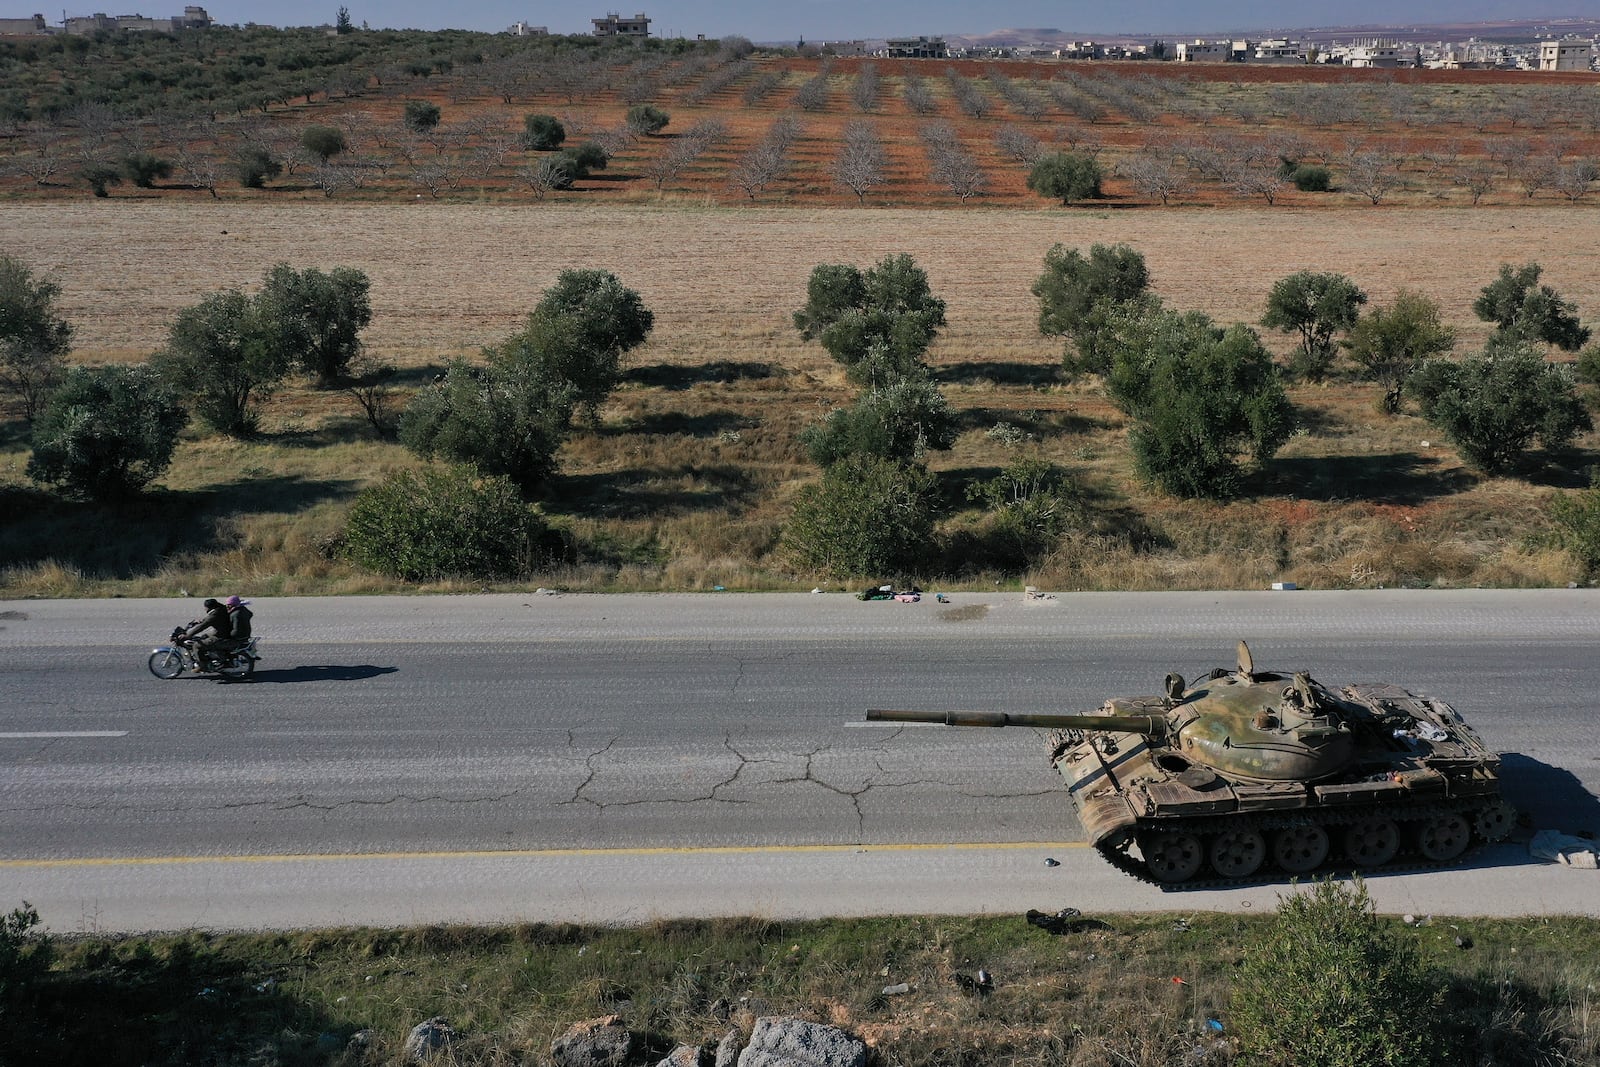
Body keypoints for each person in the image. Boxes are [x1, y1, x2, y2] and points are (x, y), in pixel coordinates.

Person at [182, 598, 233, 671]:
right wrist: (201, 621)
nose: (204, 609)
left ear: (209, 607)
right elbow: (208, 619)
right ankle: (207, 656)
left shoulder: (215, 615)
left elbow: (202, 626)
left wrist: (188, 635)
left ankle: (202, 665)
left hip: (221, 635)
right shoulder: (220, 608)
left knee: (197, 645)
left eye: (205, 607)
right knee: (203, 637)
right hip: (223, 631)